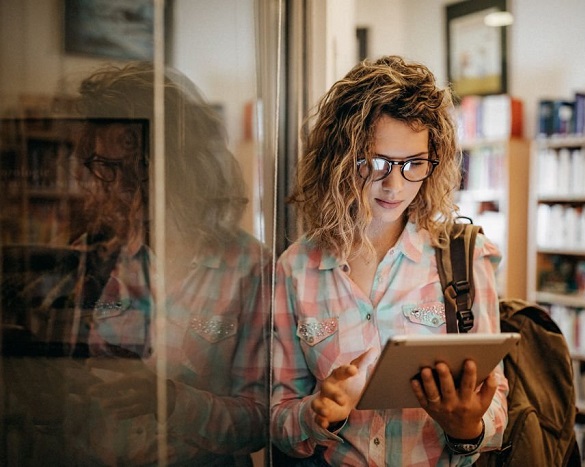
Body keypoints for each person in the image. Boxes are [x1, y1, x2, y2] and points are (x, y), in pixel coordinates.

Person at [4, 62, 270, 466]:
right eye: (102, 167)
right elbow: (65, 410)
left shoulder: (247, 266)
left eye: (132, 165)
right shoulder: (92, 258)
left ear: (178, 163)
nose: (117, 185)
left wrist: (169, 401)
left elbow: (261, 420)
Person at [270, 55, 508, 466]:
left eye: (414, 164)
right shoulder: (296, 270)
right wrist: (317, 414)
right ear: (340, 160)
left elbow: (496, 406)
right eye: (376, 162)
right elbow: (278, 417)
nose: (394, 185)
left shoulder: (465, 258)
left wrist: (468, 426)